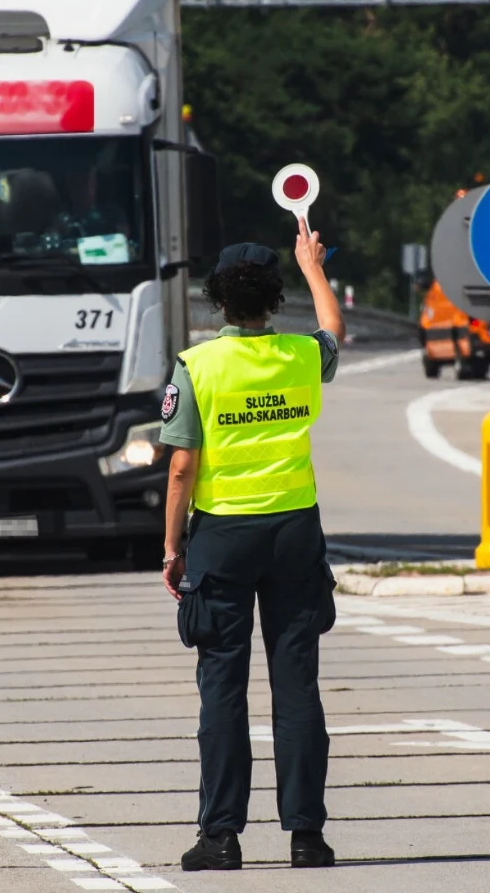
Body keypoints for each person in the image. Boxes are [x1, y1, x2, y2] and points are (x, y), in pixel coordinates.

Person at [159, 221, 346, 872]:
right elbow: (333, 333)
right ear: (274, 301)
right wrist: (313, 266)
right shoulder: (299, 357)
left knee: (223, 688)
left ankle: (220, 836)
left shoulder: (197, 366)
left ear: (217, 301)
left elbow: (182, 467)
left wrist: (171, 548)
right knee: (297, 686)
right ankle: (307, 836)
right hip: (294, 531)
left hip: (222, 536)